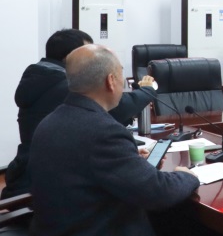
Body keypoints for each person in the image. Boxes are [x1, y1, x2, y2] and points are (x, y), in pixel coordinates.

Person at [24, 44, 210, 236]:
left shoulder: (51, 121)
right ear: (111, 81)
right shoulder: (103, 131)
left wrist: (128, 160)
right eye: (122, 75)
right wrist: (188, 176)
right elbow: (157, 192)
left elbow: (86, 170)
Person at [2, 28, 157, 199]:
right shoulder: (67, 85)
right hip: (48, 187)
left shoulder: (41, 77)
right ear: (72, 57)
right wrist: (147, 90)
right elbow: (119, 109)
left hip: (34, 172)